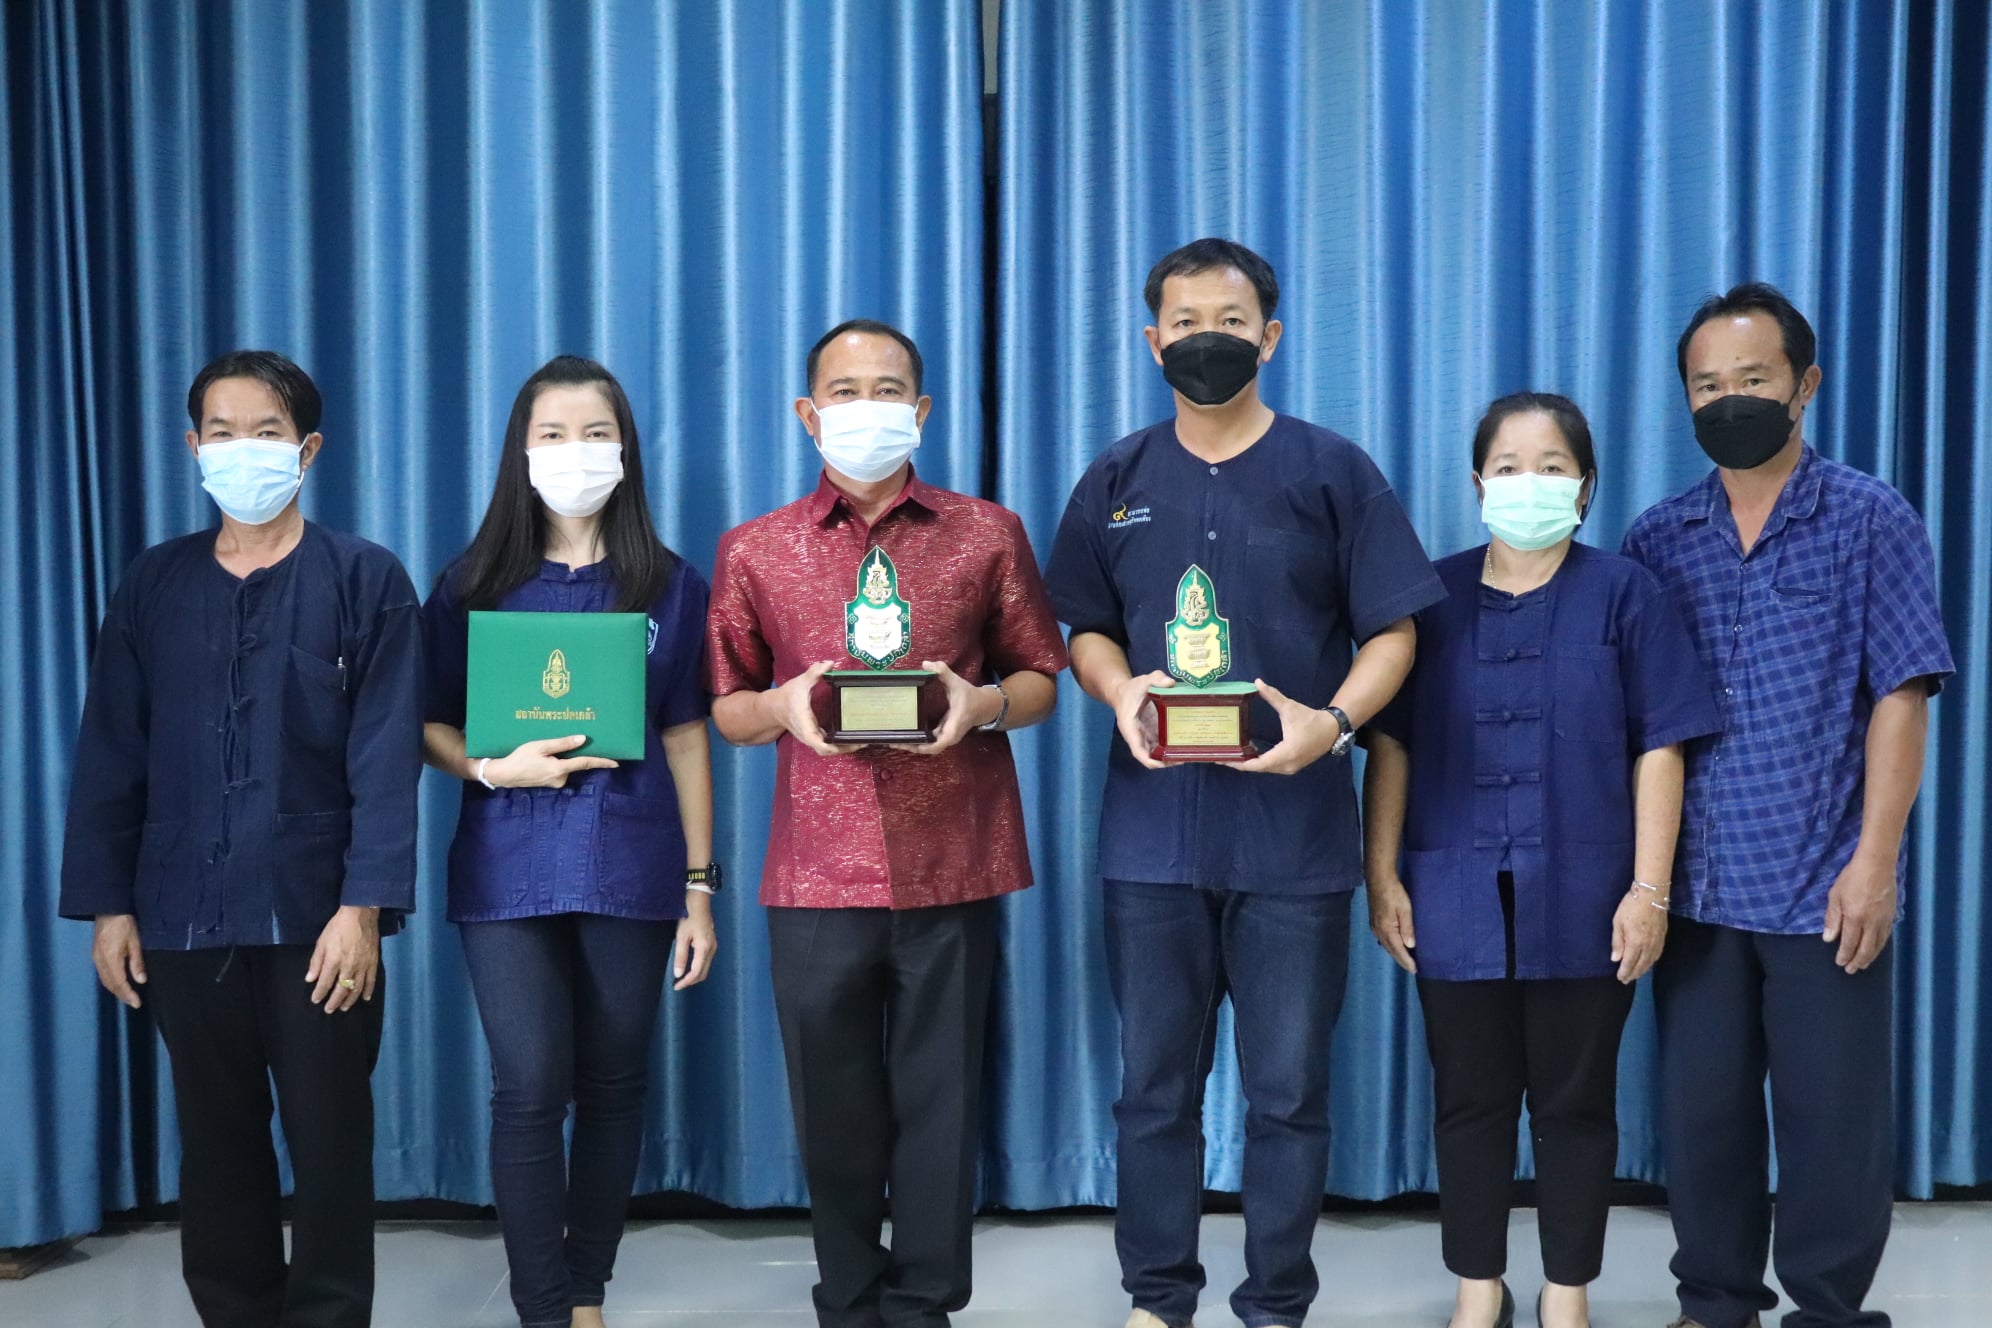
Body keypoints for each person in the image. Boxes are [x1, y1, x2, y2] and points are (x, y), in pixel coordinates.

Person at [1044, 238, 1445, 1328]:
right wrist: (1118, 688)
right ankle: (1157, 1298)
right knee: (1151, 1091)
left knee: (1287, 1095)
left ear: (1269, 336)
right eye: (1185, 321)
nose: (1206, 339)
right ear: (1152, 341)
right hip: (1151, 843)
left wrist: (1335, 724)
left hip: (1294, 845)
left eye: (1230, 320)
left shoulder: (1333, 471)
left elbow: (1395, 630)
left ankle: (1275, 1304)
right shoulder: (1116, 479)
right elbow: (1082, 625)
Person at [706, 319, 1067, 1328]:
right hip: (815, 872)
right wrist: (779, 708)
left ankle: (923, 1305)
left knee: (941, 1104)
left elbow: (1042, 677)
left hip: (953, 858)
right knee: (833, 1110)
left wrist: (981, 703)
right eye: (844, 390)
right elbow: (728, 707)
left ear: (921, 409)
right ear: (807, 413)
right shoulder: (755, 548)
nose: (866, 407)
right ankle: (849, 1297)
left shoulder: (987, 533)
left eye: (888, 389)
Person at [60, 350, 421, 1328]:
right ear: (193, 447)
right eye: (222, 431)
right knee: (216, 1143)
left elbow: (387, 757)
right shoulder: (154, 583)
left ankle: (329, 1315)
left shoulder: (365, 578)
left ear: (307, 448)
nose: (241, 449)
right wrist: (109, 907)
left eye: (266, 431)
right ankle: (235, 1312)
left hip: (318, 920)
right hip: (181, 912)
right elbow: (111, 750)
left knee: (331, 1140)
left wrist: (363, 907)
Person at [1622, 284, 1953, 1328]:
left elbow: (1902, 692)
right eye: (1706, 385)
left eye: (1753, 378)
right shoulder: (1659, 538)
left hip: (1823, 881)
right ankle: (1714, 1301)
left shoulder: (1868, 516)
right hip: (1696, 886)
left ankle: (1828, 1309)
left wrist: (1876, 862)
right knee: (1702, 1117)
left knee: (1833, 1121)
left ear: (1804, 385)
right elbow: (1640, 721)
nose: (1729, 399)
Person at [1362, 393, 1721, 1328]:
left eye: (1553, 467)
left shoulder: (1627, 592)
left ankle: (1568, 1293)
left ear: (1586, 486)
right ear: (1478, 483)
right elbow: (1391, 744)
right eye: (1510, 467)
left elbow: (1661, 745)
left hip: (1588, 894)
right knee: (1469, 1103)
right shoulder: (1428, 602)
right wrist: (1383, 876)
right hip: (1449, 890)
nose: (1531, 483)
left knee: (1576, 1105)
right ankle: (1478, 1289)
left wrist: (1649, 890)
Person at [420, 356, 716, 1328]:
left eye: (596, 433)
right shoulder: (472, 584)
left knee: (616, 1082)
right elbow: (426, 720)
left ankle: (586, 1290)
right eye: (553, 434)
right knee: (529, 1084)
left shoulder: (671, 585)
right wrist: (489, 769)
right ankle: (542, 1306)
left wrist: (701, 886)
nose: (574, 452)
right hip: (504, 865)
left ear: (625, 451)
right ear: (521, 451)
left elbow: (685, 733)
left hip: (632, 861)